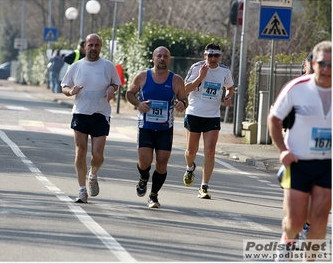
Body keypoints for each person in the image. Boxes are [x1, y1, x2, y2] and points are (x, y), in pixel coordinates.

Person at [267, 41, 331, 261]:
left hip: (327, 164)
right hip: (298, 162)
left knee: (319, 221)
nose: (326, 68)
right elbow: (273, 119)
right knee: (295, 221)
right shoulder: (297, 87)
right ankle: (287, 242)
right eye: (322, 63)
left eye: (331, 64)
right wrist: (283, 150)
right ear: (313, 63)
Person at [61, 34, 121, 203]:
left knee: (98, 155)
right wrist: (70, 91)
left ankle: (92, 175)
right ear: (84, 47)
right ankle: (81, 191)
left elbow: (116, 83)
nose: (93, 48)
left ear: (100, 47)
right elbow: (64, 86)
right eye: (90, 45)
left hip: (101, 114)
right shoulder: (76, 66)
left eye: (96, 45)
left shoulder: (108, 66)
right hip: (80, 112)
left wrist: (111, 88)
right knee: (80, 151)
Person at [126, 46, 188, 208]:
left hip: (164, 128)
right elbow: (129, 93)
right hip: (145, 126)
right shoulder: (142, 76)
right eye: (159, 56)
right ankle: (143, 178)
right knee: (145, 161)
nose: (162, 58)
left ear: (169, 59)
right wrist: (139, 104)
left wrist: (182, 104)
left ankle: (153, 195)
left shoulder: (176, 80)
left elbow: (184, 100)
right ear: (153, 59)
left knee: (162, 162)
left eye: (165, 56)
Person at [182, 42, 234, 199]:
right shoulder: (197, 68)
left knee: (210, 151)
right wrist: (200, 77)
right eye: (210, 55)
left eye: (216, 55)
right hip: (194, 113)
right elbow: (184, 89)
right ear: (205, 55)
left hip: (212, 115)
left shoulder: (224, 71)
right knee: (191, 152)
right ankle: (190, 168)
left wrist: (228, 96)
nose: (213, 58)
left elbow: (230, 87)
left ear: (220, 57)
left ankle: (204, 186)